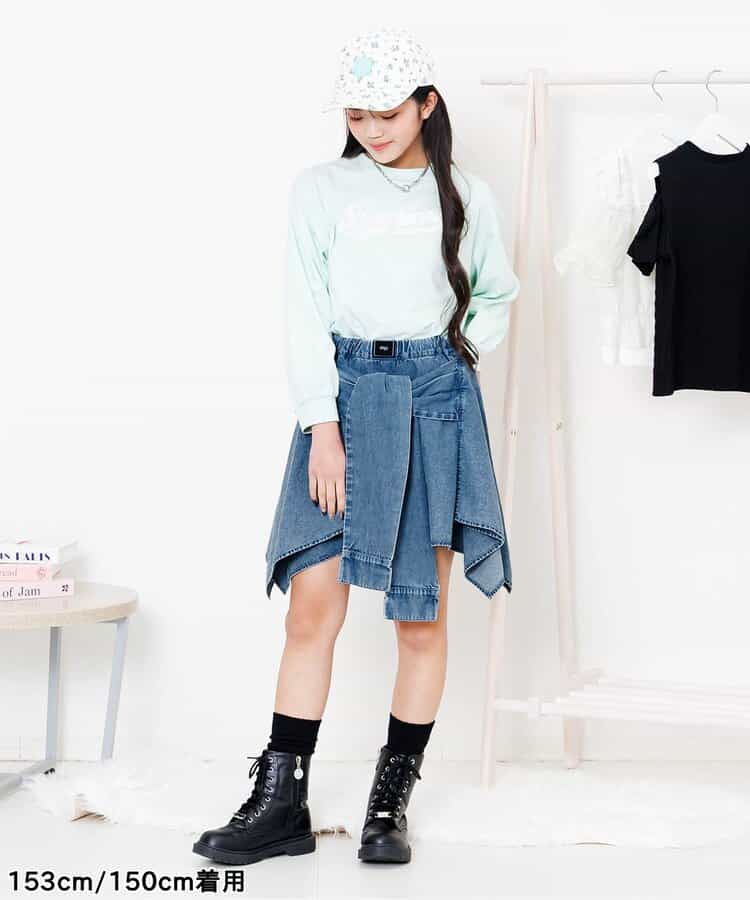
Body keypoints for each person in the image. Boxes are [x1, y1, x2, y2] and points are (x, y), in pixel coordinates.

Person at [193, 25, 520, 868]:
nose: (373, 129)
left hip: (433, 402)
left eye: (388, 113)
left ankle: (388, 803)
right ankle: (281, 802)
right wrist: (323, 427)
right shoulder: (320, 189)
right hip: (342, 397)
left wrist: (456, 358)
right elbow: (303, 308)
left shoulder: (466, 195)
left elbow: (497, 292)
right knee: (312, 605)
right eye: (357, 114)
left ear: (427, 105)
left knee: (421, 616)